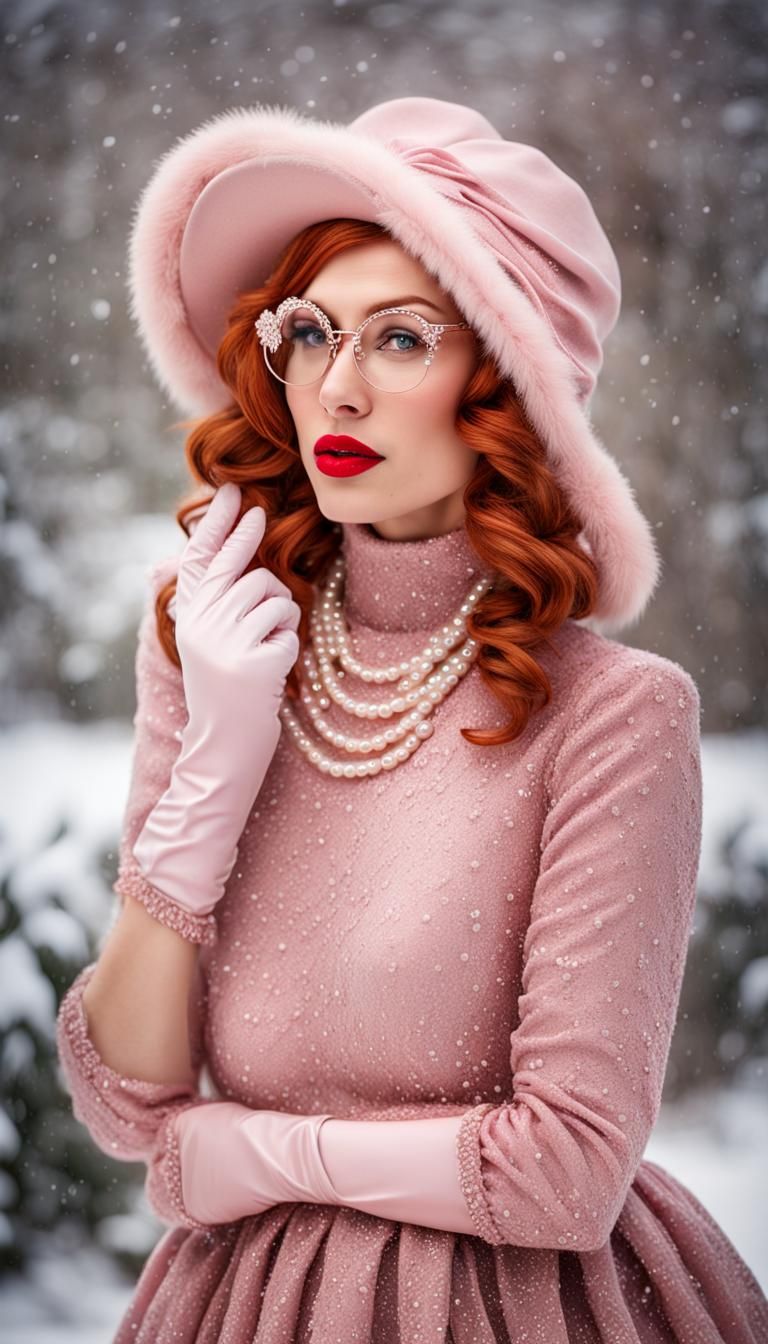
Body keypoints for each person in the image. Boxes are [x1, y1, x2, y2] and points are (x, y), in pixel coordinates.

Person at [55, 96, 768, 1343]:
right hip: (239, 1309)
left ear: (498, 386)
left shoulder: (618, 717)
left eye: (400, 339)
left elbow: (565, 1172)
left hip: (522, 1307)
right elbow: (129, 1101)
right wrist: (218, 760)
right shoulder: (215, 642)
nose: (337, 387)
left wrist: (253, 1156)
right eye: (313, 331)